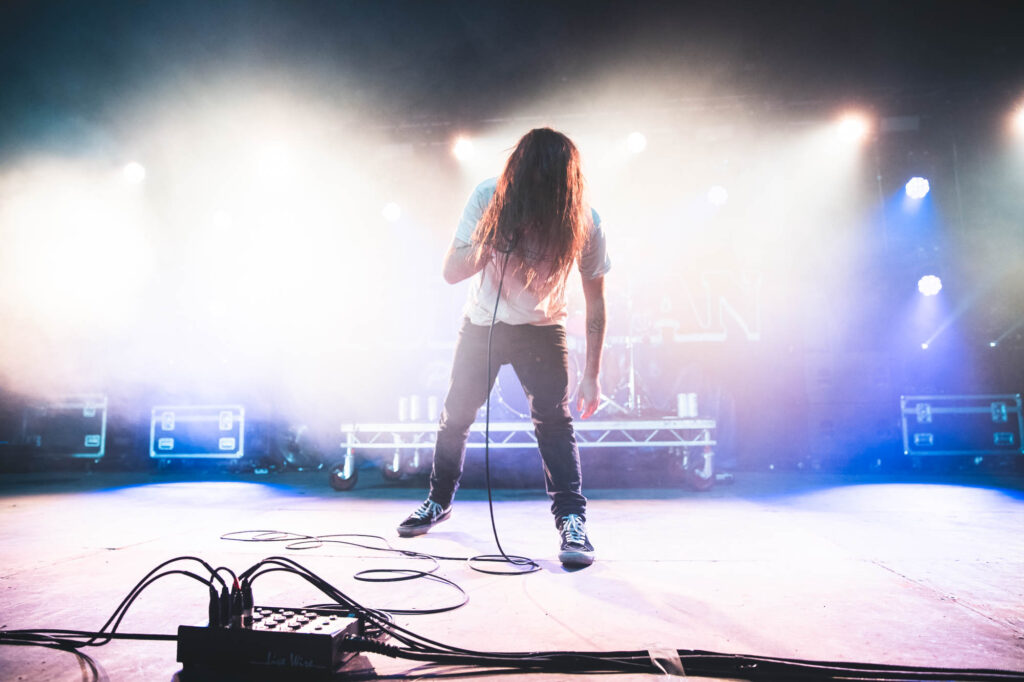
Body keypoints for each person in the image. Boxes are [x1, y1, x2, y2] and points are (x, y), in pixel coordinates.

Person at [396, 128, 610, 567]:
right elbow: (451, 272)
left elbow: (596, 303)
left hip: (543, 328)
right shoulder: (488, 198)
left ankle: (572, 521)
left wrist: (592, 374)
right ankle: (438, 501)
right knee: (456, 414)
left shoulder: (585, 220)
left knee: (554, 423)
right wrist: (494, 236)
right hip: (483, 323)